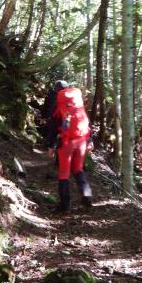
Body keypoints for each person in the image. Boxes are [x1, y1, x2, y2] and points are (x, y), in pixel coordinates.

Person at [45, 80, 93, 214]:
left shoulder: (60, 104)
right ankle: (87, 195)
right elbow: (85, 121)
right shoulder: (77, 102)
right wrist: (90, 139)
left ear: (57, 90)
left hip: (67, 143)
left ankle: (65, 207)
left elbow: (54, 126)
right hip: (82, 141)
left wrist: (50, 145)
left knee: (64, 173)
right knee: (78, 168)